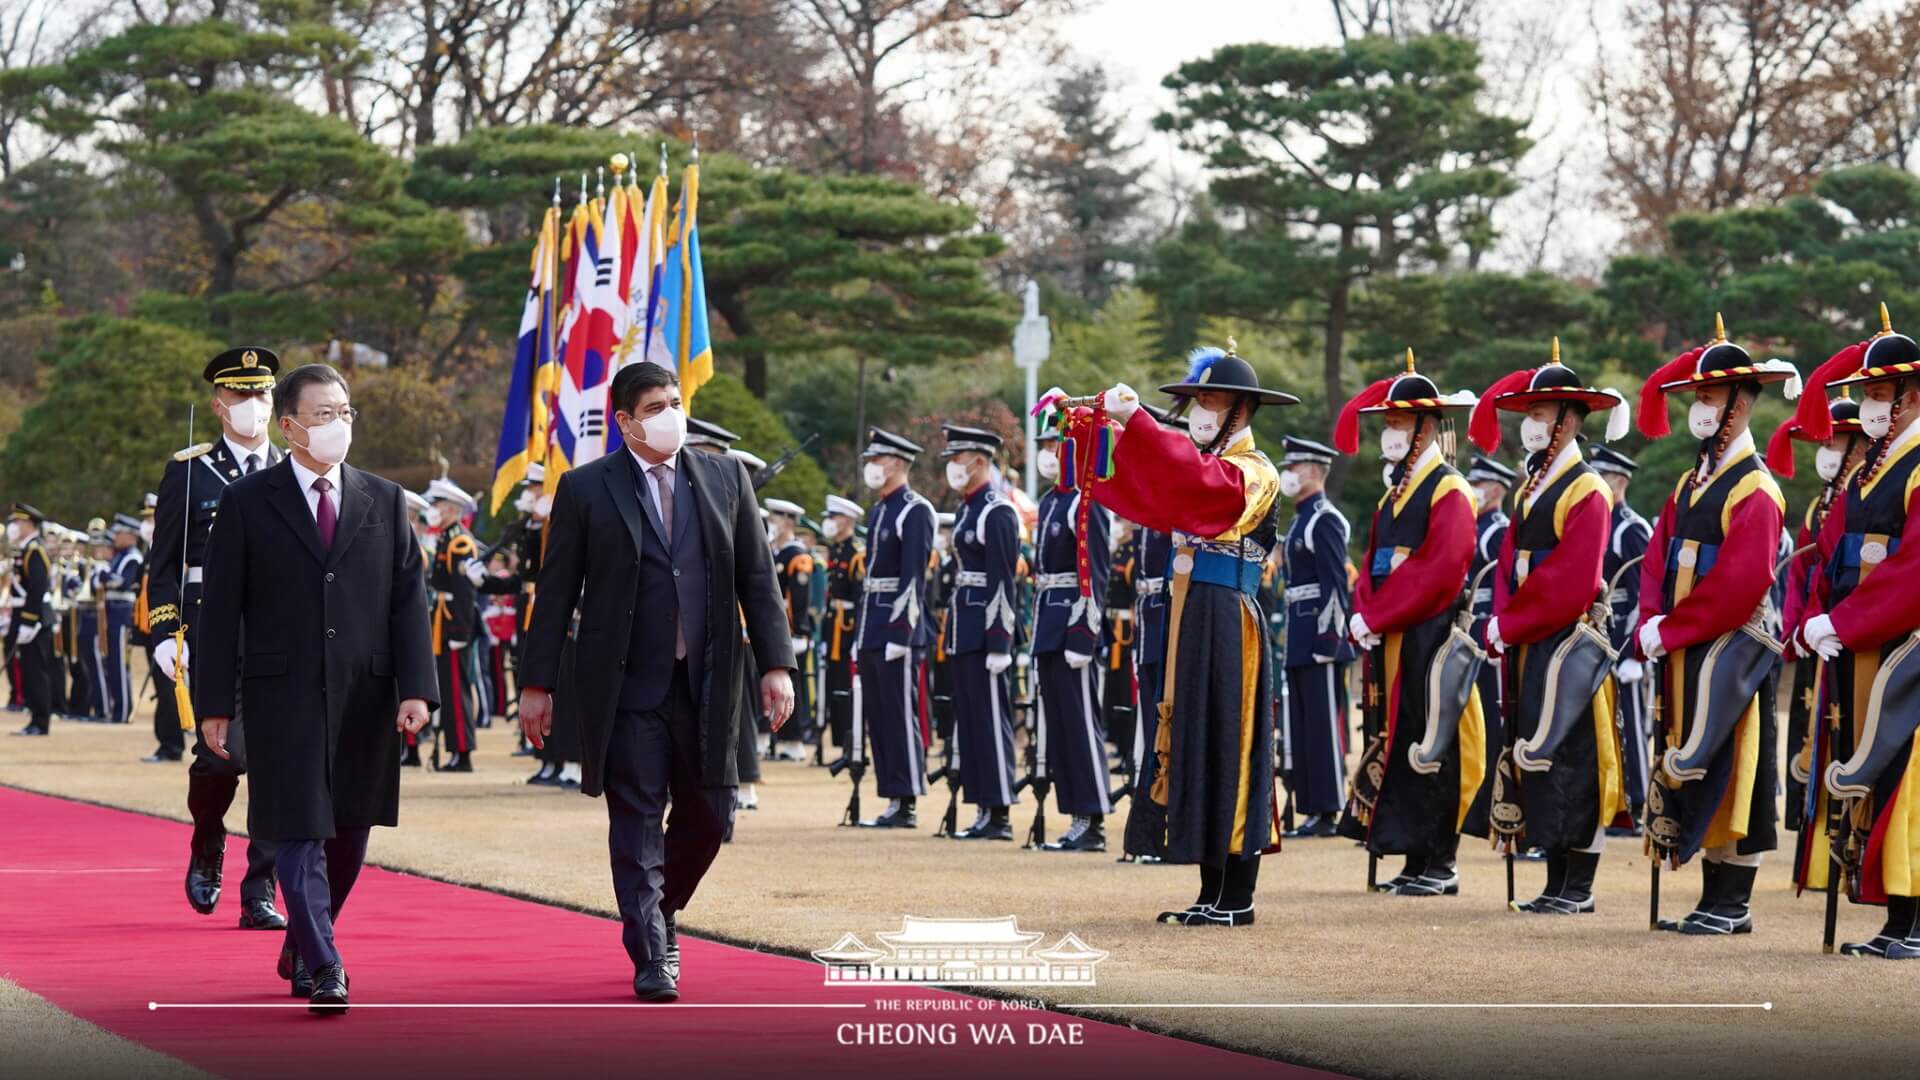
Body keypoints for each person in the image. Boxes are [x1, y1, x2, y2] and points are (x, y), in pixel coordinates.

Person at [517, 361, 795, 1003]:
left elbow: (758, 577)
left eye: (676, 401)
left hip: (707, 682)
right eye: (655, 406)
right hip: (625, 686)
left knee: (712, 813)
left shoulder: (726, 478)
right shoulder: (586, 489)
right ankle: (650, 950)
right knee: (637, 817)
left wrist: (776, 666)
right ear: (624, 421)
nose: (672, 413)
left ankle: (659, 908)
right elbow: (555, 592)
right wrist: (538, 685)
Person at [194, 361, 437, 1014]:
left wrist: (418, 688)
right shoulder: (249, 502)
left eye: (345, 413)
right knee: (298, 828)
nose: (337, 425)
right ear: (289, 426)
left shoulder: (384, 499)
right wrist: (213, 704)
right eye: (323, 414)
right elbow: (218, 610)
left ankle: (305, 940)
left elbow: (408, 601)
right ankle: (327, 964)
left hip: (366, 693)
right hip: (282, 693)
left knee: (350, 832)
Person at [1077, 343, 1292, 924]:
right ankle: (1209, 889)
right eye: (1196, 399)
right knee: (1194, 742)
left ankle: (1237, 896)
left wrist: (1138, 420)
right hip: (1190, 612)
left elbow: (1200, 487)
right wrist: (1093, 433)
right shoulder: (1205, 458)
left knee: (1231, 742)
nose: (1199, 409)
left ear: (1240, 411)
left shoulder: (1254, 470)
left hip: (1228, 614)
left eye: (1211, 400)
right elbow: (1147, 485)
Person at [1634, 313, 1795, 936]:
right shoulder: (1689, 479)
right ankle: (1710, 898)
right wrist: (1651, 618)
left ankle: (1733, 902)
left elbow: (1739, 584)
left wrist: (1671, 629)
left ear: (1738, 406)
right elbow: (1659, 555)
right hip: (1686, 645)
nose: (1697, 409)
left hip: (1731, 649)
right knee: (1697, 764)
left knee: (1737, 769)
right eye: (1695, 397)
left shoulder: (1756, 488)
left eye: (1708, 398)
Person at [1469, 341, 1630, 913]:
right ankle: (1554, 876)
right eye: (1530, 414)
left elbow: (1570, 579)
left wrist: (1510, 624)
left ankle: (1578, 883)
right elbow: (1512, 560)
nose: (1531, 425)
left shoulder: (1586, 488)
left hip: (1567, 640)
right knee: (1536, 750)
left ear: (1568, 420)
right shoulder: (1530, 487)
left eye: (1540, 414)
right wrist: (1500, 622)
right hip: (1529, 638)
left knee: (1575, 755)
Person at [1789, 306, 1920, 957]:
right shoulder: (1870, 467)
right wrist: (1819, 614)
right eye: (1865, 393)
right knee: (1867, 766)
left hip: (1905, 645)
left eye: (1878, 394)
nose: (1867, 406)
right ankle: (1892, 915)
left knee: (1906, 775)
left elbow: (1914, 567)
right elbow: (1828, 547)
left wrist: (1846, 619)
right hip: (1854, 640)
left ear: (1911, 397)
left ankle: (1912, 918)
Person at [1335, 350, 1485, 898]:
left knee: (1432, 744)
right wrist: (1364, 611)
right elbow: (1374, 559)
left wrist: (1377, 613)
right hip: (1391, 633)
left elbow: (1439, 570)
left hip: (1429, 633)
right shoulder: (1391, 493)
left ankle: (1438, 860)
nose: (1390, 431)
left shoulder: (1449, 489)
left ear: (1426, 427)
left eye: (1399, 422)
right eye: (1388, 423)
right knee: (1393, 741)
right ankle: (1411, 853)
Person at [147, 345, 287, 927]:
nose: (251, 404)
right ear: (217, 403)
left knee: (283, 767)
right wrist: (165, 630)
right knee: (218, 762)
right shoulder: (190, 470)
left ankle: (262, 889)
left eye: (260, 393)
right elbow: (163, 565)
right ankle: (208, 842)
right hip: (212, 632)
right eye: (239, 394)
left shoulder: (294, 468)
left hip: (283, 634)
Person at [1029, 412, 1114, 853]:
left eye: (1053, 445)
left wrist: (1084, 633)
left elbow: (1094, 573)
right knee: (1060, 726)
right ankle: (1075, 815)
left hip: (1072, 627)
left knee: (1080, 724)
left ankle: (1092, 816)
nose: (1046, 454)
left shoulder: (1089, 501)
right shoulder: (1048, 503)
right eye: (1043, 446)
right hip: (1048, 622)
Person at [939, 425, 1021, 841]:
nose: (953, 467)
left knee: (991, 720)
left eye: (959, 458)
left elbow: (1003, 582)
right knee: (971, 721)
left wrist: (1000, 641)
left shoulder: (996, 510)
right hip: (964, 628)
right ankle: (983, 806)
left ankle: (999, 808)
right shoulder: (969, 508)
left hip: (987, 633)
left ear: (980, 461)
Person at [852, 428, 935, 829]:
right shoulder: (881, 509)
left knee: (900, 714)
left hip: (896, 628)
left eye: (878, 460)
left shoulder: (914, 509)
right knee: (879, 715)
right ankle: (891, 795)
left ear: (898, 463)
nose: (872, 467)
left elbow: (912, 578)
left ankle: (906, 798)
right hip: (873, 624)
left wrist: (902, 632)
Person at [1275, 436, 1355, 839]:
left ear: (1313, 470)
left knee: (1322, 725)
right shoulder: (1300, 519)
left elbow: (1335, 585)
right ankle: (1312, 807)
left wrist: (1329, 637)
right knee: (1303, 725)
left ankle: (1327, 808)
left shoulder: (1324, 519)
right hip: (1299, 632)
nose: (1288, 474)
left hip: (1320, 636)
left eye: (1294, 468)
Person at [1589, 445, 1653, 833]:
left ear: (1620, 481)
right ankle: (1611, 801)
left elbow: (1643, 594)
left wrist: (1634, 653)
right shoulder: (1598, 520)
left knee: (1630, 723)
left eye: (1603, 476)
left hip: (1624, 641)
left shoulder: (1630, 528)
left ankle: (1637, 805)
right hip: (1600, 635)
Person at [1460, 452, 1517, 837]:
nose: (1474, 489)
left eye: (1479, 484)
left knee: (1494, 726)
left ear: (1496, 489)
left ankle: (1494, 804)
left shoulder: (1497, 530)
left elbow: (1505, 586)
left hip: (1488, 632)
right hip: (1471, 630)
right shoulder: (1474, 526)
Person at [424, 477, 484, 772]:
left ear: (450, 509)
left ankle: (463, 751)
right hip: (441, 623)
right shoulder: (447, 538)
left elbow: (464, 592)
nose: (433, 509)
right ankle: (454, 750)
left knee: (457, 689)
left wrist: (460, 631)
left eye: (437, 505)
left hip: (453, 626)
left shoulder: (460, 542)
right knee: (447, 690)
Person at [765, 497, 815, 762]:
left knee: (792, 687)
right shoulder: (773, 551)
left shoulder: (797, 554)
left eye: (775, 518)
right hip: (773, 624)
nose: (772, 523)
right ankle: (775, 738)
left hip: (789, 627)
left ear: (787, 522)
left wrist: (798, 630)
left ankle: (793, 741)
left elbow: (799, 598)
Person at [820, 495, 866, 761]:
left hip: (849, 627)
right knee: (836, 686)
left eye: (835, 517)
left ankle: (853, 740)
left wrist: (859, 635)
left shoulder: (857, 553)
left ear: (847, 520)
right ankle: (840, 741)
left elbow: (860, 598)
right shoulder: (836, 551)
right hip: (833, 627)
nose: (830, 522)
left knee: (850, 686)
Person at [7, 505, 52, 736]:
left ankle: (40, 720)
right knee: (28, 669)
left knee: (36, 670)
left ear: (29, 525)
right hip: (23, 614)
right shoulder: (24, 550)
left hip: (34, 619)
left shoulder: (35, 550)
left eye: (19, 522)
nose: (15, 527)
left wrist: (29, 620)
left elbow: (38, 587)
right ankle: (34, 717)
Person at [94, 514, 143, 726]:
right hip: (112, 612)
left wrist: (105, 577)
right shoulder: (119, 556)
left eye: (119, 532)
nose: (115, 536)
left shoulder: (133, 557)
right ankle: (117, 709)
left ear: (131, 535)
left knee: (120, 664)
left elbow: (122, 583)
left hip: (123, 613)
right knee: (112, 663)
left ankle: (122, 711)